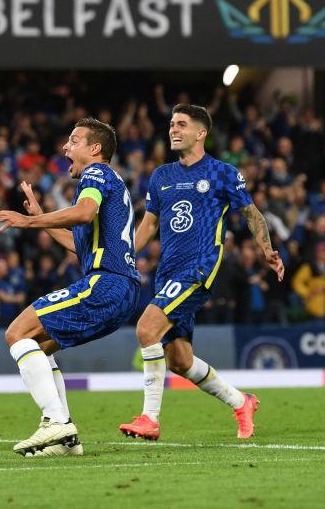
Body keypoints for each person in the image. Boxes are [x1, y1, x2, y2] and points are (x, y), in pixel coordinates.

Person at [119, 104, 283, 442]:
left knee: (147, 328)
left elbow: (251, 214)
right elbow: (149, 224)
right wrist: (125, 255)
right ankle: (242, 402)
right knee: (180, 361)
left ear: (201, 132)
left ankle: (150, 418)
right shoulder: (162, 176)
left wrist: (267, 250)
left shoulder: (222, 173)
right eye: (171, 125)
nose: (173, 130)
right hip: (168, 273)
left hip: (200, 268)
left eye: (181, 124)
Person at [0, 117, 139, 456]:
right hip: (122, 289)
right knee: (38, 347)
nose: (65, 147)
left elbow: (83, 213)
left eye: (73, 140)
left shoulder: (96, 174)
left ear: (95, 149)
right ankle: (66, 439)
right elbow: (78, 243)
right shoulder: (111, 183)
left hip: (106, 283)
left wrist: (29, 221)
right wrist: (42, 217)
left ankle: (56, 422)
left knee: (17, 333)